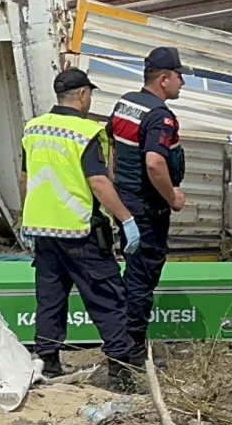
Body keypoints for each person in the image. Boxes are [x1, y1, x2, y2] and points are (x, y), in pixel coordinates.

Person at [18, 68, 143, 393]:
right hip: (81, 233)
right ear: (84, 94)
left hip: (44, 233)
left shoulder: (34, 129)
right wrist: (125, 219)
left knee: (50, 299)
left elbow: (23, 179)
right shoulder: (86, 132)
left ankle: (47, 361)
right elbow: (99, 182)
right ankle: (120, 372)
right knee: (107, 299)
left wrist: (26, 218)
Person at [110, 46, 190, 358]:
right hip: (147, 208)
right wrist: (173, 197)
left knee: (132, 270)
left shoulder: (126, 103)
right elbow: (155, 163)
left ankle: (126, 342)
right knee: (142, 278)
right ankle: (131, 350)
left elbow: (113, 146)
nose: (182, 82)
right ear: (163, 79)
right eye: (179, 76)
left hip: (125, 200)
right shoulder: (161, 117)